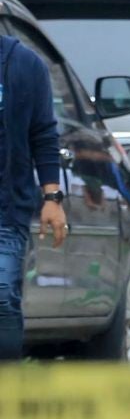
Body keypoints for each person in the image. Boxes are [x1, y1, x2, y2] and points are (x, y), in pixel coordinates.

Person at [0, 34, 67, 359]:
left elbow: (43, 133)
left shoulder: (24, 64)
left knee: (2, 296)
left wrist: (52, 197)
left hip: (6, 208)